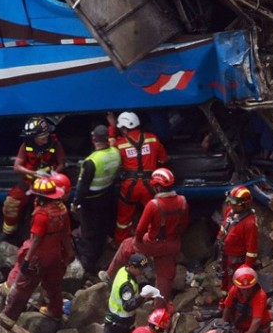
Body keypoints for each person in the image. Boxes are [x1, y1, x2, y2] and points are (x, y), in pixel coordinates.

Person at [0, 177, 73, 330]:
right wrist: (69, 253)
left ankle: (7, 319)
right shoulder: (61, 210)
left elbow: (36, 240)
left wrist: (27, 260)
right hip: (55, 254)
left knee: (22, 288)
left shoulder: (41, 215)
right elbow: (65, 235)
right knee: (53, 286)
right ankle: (55, 311)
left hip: (38, 258)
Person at [104, 167, 188, 296]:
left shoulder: (154, 205)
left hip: (153, 243)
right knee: (165, 276)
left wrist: (138, 242)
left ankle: (109, 276)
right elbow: (184, 224)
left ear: (158, 187)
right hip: (172, 245)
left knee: (126, 245)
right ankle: (160, 303)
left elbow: (140, 229)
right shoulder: (182, 201)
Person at [107, 111, 169, 243]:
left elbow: (108, 154)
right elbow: (163, 160)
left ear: (124, 128)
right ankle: (154, 242)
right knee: (154, 216)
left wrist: (112, 128)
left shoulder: (119, 143)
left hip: (129, 187)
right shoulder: (153, 138)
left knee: (123, 220)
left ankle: (121, 245)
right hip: (150, 185)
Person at [2, 117, 65, 237]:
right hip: (29, 181)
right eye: (42, 137)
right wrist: (34, 173)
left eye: (46, 135)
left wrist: (53, 174)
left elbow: (62, 163)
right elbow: (17, 166)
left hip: (49, 183)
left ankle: (47, 234)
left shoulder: (55, 144)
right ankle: (9, 233)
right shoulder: (26, 145)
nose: (45, 139)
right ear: (33, 137)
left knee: (50, 209)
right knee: (10, 204)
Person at [73, 125, 121, 276]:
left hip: (90, 202)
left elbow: (82, 186)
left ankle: (89, 266)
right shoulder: (115, 153)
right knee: (101, 228)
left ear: (94, 139)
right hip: (106, 196)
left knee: (89, 233)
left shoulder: (91, 161)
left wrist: (75, 203)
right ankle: (100, 255)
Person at [220, 266, 272, 333]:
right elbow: (227, 307)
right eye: (243, 289)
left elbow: (257, 320)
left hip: (258, 326)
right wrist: (223, 324)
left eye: (249, 288)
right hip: (241, 322)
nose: (246, 291)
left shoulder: (260, 296)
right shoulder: (234, 290)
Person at [216, 185, 258, 290]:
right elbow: (224, 227)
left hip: (236, 263)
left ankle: (231, 300)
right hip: (224, 257)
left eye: (235, 203)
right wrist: (219, 240)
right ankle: (224, 298)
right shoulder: (230, 211)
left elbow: (251, 251)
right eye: (230, 202)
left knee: (234, 286)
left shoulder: (250, 223)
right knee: (224, 282)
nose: (232, 205)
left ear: (245, 204)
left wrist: (245, 270)